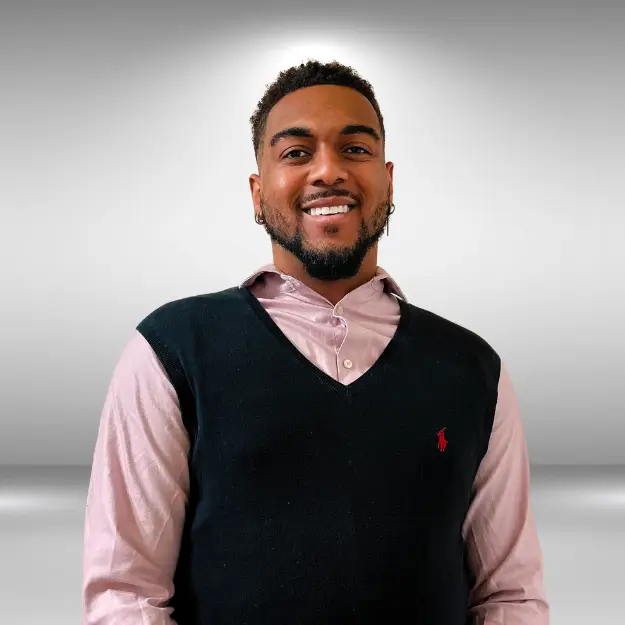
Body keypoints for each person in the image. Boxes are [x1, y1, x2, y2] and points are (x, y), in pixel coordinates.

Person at [82, 59, 550, 624]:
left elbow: (510, 595)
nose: (328, 170)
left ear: (388, 180)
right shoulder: (172, 352)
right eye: (296, 153)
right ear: (258, 193)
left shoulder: (473, 369)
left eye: (355, 149)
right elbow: (126, 595)